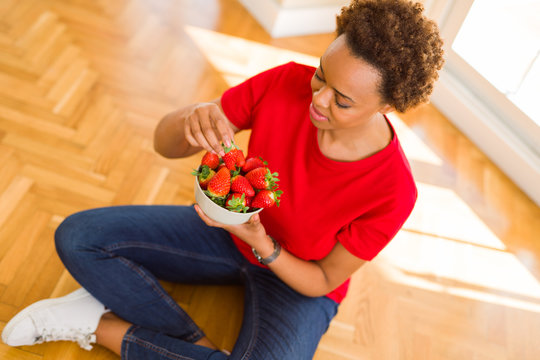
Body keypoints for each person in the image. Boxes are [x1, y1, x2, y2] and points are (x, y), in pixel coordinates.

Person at [2, 0, 444, 359]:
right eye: (320, 76)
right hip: (222, 233)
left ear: (387, 105)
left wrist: (261, 242)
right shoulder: (284, 82)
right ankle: (193, 345)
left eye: (342, 100)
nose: (318, 99)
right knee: (79, 236)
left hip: (296, 282)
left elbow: (324, 280)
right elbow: (164, 145)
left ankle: (101, 326)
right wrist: (192, 117)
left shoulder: (394, 190)